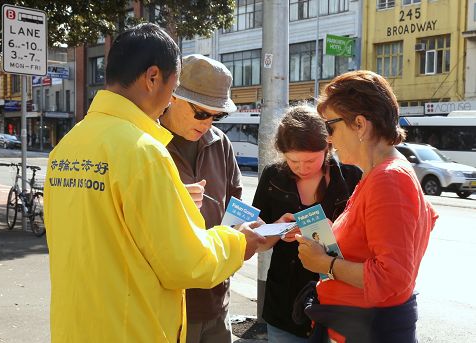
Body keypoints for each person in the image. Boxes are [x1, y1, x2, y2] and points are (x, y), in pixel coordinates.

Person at [44, 23, 266, 343]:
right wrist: (239, 242)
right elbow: (186, 263)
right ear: (152, 78)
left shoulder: (67, 146)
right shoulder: (144, 152)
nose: (169, 101)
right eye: (172, 88)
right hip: (130, 328)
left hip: (75, 327)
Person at [296, 70, 438, 343]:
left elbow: (391, 276)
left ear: (359, 124)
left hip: (371, 331)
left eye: (330, 127)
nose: (328, 140)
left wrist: (325, 263)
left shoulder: (389, 178)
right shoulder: (380, 173)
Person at [252, 105, 362, 342]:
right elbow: (257, 242)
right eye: (293, 162)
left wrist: (334, 230)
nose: (302, 168)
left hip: (337, 304)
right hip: (285, 303)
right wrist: (278, 228)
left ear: (328, 146)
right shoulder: (273, 177)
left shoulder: (351, 178)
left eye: (311, 160)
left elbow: (366, 243)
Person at [159, 54, 241, 343]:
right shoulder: (147, 145)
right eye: (201, 113)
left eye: (217, 116)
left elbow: (236, 209)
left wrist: (250, 236)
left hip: (217, 303)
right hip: (167, 307)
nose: (208, 123)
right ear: (173, 97)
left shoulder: (221, 143)